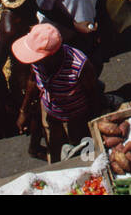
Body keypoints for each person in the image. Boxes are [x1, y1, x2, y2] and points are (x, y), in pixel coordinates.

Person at [16, 24, 101, 163]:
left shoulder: (79, 66)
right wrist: (23, 111)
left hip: (77, 117)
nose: (34, 61)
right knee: (55, 149)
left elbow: (94, 93)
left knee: (82, 154)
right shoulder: (38, 62)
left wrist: (93, 124)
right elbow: (32, 81)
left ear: (51, 56)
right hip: (50, 113)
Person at [0, 0, 38, 143]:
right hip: (24, 74)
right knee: (32, 108)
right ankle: (33, 141)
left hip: (34, 64)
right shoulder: (9, 27)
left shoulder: (30, 3)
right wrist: (7, 103)